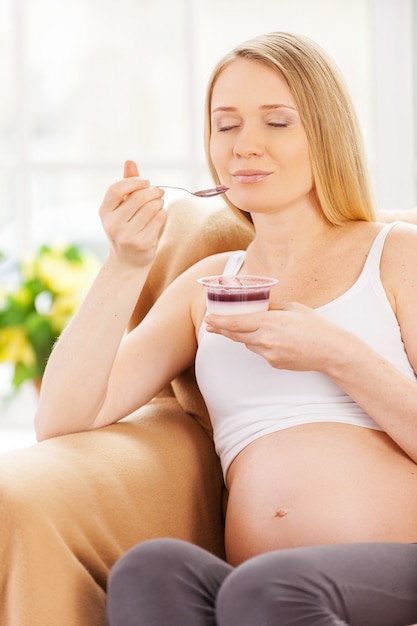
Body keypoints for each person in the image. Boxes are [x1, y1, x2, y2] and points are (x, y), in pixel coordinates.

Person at [34, 31, 417, 625]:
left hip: (395, 568)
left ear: (327, 134)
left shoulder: (396, 256)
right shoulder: (207, 285)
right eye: (227, 125)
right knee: (149, 569)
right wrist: (126, 263)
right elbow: (62, 418)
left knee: (269, 589)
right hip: (257, 591)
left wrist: (338, 354)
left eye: (277, 122)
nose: (246, 146)